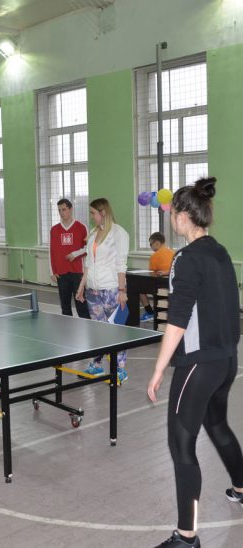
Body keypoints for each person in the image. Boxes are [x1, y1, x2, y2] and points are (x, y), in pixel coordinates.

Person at [148, 177, 243, 548]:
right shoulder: (220, 251)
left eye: (173, 213)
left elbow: (177, 319)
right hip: (226, 361)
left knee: (181, 445)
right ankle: (241, 486)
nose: (171, 219)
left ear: (184, 216)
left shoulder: (184, 259)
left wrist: (159, 368)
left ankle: (186, 537)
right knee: (217, 425)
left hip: (199, 366)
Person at [76, 198, 129, 382]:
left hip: (111, 290)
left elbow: (121, 264)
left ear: (103, 212)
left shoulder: (119, 233)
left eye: (93, 213)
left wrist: (122, 290)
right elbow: (88, 264)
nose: (91, 216)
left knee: (116, 330)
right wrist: (82, 286)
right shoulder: (93, 233)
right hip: (93, 291)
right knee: (98, 330)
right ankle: (97, 365)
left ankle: (120, 369)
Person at [49, 199, 90, 319]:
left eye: (64, 209)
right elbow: (51, 251)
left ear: (71, 209)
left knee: (81, 305)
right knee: (65, 306)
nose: (61, 213)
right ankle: (66, 328)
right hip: (61, 273)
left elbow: (88, 248)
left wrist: (75, 254)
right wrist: (52, 271)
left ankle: (87, 325)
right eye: (59, 210)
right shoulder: (54, 229)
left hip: (78, 272)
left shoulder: (82, 227)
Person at [140, 232, 174, 322]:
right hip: (172, 284)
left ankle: (149, 313)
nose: (150, 247)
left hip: (159, 285)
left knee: (139, 288)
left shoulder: (154, 256)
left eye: (151, 244)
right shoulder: (173, 253)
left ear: (157, 243)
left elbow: (151, 274)